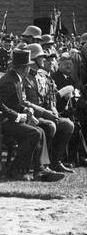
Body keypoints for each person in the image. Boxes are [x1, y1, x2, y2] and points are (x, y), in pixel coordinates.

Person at [0, 48, 65, 182]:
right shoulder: (10, 81)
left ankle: (40, 168)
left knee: (41, 130)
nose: (29, 69)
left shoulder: (14, 78)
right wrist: (17, 116)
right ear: (24, 68)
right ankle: (16, 170)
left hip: (9, 120)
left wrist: (24, 110)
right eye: (28, 66)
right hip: (2, 122)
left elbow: (14, 102)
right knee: (34, 133)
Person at [23, 44, 74, 173]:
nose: (44, 60)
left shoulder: (43, 76)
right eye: (41, 57)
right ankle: (41, 164)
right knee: (50, 125)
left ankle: (55, 161)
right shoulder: (24, 77)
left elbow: (50, 98)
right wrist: (47, 113)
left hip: (45, 114)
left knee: (68, 124)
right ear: (34, 59)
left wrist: (54, 110)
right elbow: (24, 102)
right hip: (31, 116)